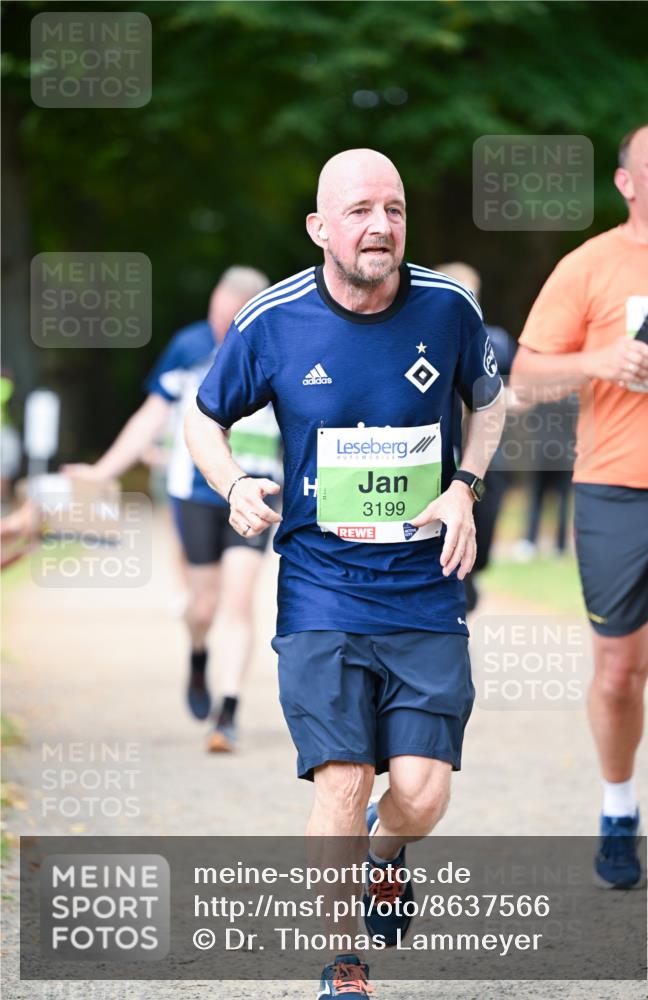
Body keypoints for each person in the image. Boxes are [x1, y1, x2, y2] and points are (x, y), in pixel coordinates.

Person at [185, 149, 505, 998]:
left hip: (423, 582)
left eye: (393, 209)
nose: (380, 226)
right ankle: (342, 961)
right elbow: (203, 419)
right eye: (359, 210)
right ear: (319, 227)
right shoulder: (273, 319)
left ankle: (384, 849)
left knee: (422, 796)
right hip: (321, 585)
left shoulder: (448, 307)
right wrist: (232, 483)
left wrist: (465, 488)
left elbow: (490, 402)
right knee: (342, 775)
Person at [511, 121, 648, 889]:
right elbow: (524, 377)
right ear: (626, 182)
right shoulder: (588, 265)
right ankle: (616, 806)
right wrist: (598, 360)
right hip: (615, 492)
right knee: (617, 672)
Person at [63, 267, 281, 752]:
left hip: (256, 491)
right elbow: (151, 415)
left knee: (239, 600)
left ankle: (227, 713)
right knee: (203, 606)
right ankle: (198, 654)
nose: (220, 328)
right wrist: (103, 472)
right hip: (196, 492)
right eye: (215, 316)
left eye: (230, 319)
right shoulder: (189, 347)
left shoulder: (278, 343)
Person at [435, 262, 518, 610]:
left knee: (482, 535)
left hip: (487, 458)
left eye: (470, 291)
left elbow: (520, 390)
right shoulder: (425, 338)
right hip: (441, 455)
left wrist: (495, 399)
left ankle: (470, 581)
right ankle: (457, 597)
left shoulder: (495, 340)